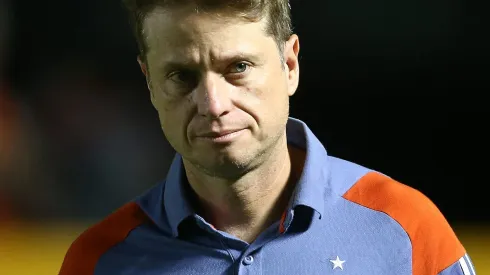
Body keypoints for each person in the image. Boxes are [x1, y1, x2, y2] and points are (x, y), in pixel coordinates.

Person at [59, 1, 476, 274]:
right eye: (180, 75)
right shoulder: (98, 261)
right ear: (149, 83)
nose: (213, 103)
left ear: (289, 64)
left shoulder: (405, 230)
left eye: (238, 67)